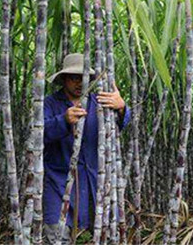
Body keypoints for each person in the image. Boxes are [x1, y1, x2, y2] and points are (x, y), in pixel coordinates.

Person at [42, 53, 131, 244]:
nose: (80, 83)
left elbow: (119, 125)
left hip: (95, 181)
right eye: (74, 78)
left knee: (103, 231)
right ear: (64, 79)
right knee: (56, 234)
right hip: (59, 181)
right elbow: (38, 134)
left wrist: (122, 107)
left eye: (84, 78)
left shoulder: (100, 102)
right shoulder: (50, 104)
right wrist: (63, 121)